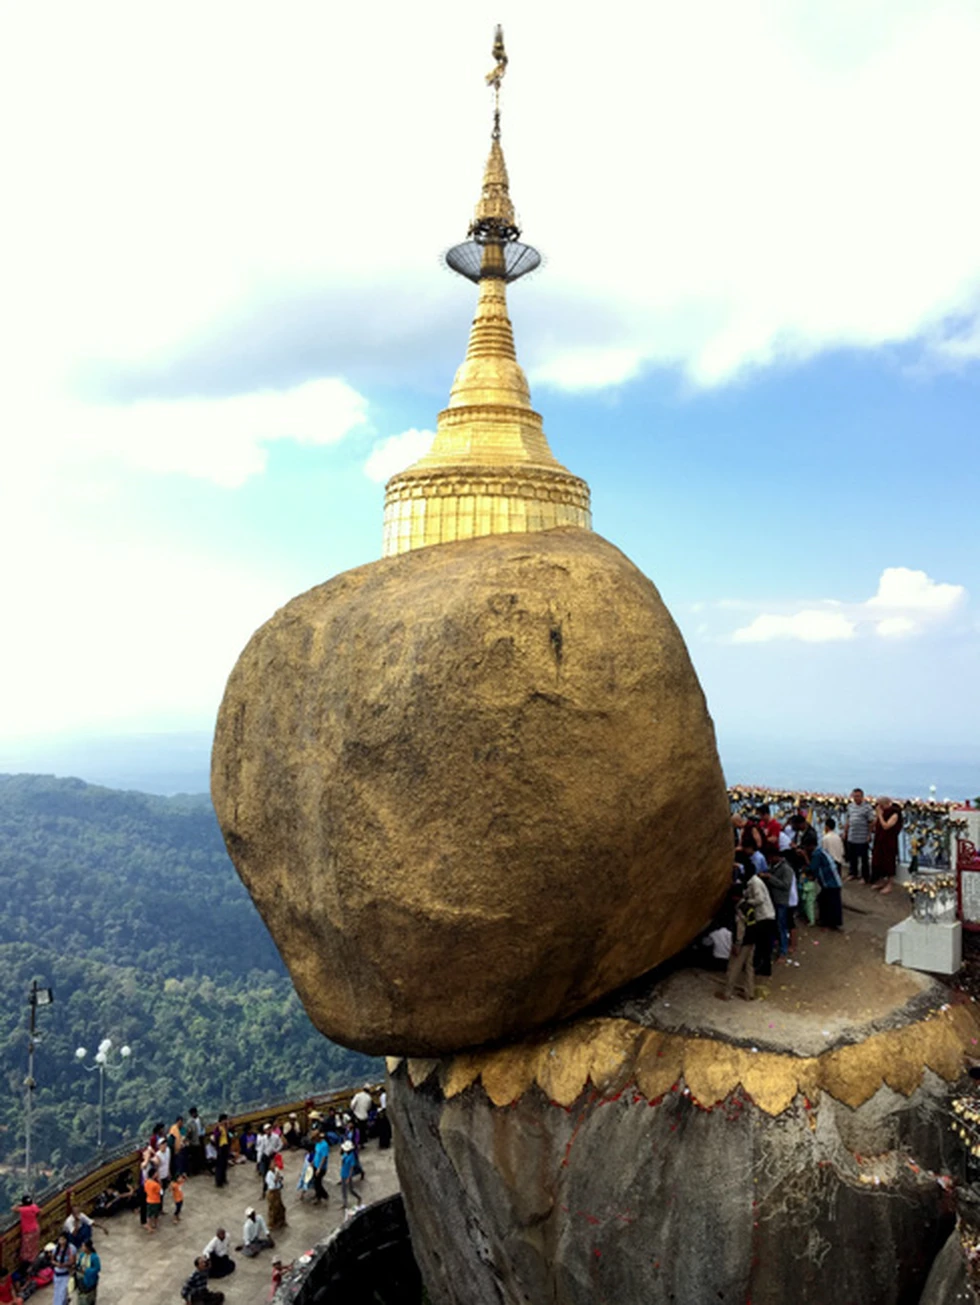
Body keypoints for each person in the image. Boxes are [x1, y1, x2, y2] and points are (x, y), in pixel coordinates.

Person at [718, 884, 757, 1001]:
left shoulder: (740, 909)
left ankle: (727, 994)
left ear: (735, 897)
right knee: (749, 967)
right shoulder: (750, 907)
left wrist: (737, 944)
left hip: (743, 942)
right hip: (752, 940)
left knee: (734, 967)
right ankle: (749, 993)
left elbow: (740, 929)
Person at [804, 829, 843, 929]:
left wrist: (805, 857)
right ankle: (829, 922)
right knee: (827, 901)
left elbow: (812, 868)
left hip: (830, 882)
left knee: (829, 902)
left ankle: (830, 923)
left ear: (810, 846)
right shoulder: (821, 851)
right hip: (832, 880)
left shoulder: (817, 854)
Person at [761, 853, 795, 960]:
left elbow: (785, 885)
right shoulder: (773, 866)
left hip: (781, 901)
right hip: (773, 900)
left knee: (781, 926)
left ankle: (783, 951)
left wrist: (770, 878)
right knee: (774, 925)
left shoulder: (786, 869)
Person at [872, 797, 903, 894]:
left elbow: (886, 826)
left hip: (889, 842)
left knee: (889, 862)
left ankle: (890, 884)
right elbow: (876, 824)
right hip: (880, 841)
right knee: (879, 861)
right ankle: (881, 881)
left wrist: (880, 815)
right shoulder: (883, 812)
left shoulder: (895, 813)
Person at [843, 788, 874, 883]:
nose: (856, 798)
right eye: (855, 796)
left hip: (863, 836)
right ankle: (853, 873)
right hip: (852, 835)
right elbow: (848, 820)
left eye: (858, 796)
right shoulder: (850, 807)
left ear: (862, 797)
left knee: (864, 858)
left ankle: (865, 877)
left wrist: (869, 834)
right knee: (852, 857)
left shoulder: (867, 807)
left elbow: (871, 822)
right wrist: (845, 832)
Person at [15, 1195, 41, 1266]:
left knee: (27, 1249)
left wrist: (19, 1204)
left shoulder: (23, 1209)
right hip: (35, 1228)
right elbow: (38, 1213)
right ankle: (34, 1260)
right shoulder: (34, 1206)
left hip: (28, 1231)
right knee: (34, 1246)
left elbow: (13, 1208)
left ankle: (28, 1264)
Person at [73, 1239, 100, 1305]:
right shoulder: (82, 1255)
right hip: (81, 1279)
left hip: (90, 1280)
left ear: (88, 1247)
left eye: (83, 1246)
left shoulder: (94, 1257)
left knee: (89, 1298)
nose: (82, 1248)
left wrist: (87, 1271)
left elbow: (97, 1268)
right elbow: (79, 1264)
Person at [339, 1140, 363, 1213]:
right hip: (343, 1173)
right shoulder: (345, 1154)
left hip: (347, 1175)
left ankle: (358, 1197)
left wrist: (349, 1177)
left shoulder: (352, 1156)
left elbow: (351, 1168)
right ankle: (344, 1203)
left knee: (350, 1190)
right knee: (343, 1189)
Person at [51, 1234, 76, 1305]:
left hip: (66, 1273)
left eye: (63, 1239)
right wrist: (57, 1264)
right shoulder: (56, 1248)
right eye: (60, 1240)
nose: (61, 1241)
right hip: (57, 1273)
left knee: (63, 1292)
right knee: (57, 1292)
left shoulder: (71, 1248)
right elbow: (52, 1260)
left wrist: (63, 1265)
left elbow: (72, 1261)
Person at [265, 1153, 287, 1230]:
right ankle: (272, 1224)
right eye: (272, 1163)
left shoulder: (276, 1170)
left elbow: (281, 1177)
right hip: (272, 1192)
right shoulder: (269, 1174)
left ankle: (281, 1221)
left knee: (281, 1208)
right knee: (273, 1209)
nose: (274, 1164)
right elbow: (272, 1185)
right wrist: (276, 1178)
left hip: (278, 1191)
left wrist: (280, 1178)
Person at [312, 1130, 330, 1205]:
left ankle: (320, 1196)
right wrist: (312, 1162)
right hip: (315, 1165)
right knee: (315, 1182)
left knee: (317, 1183)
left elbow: (324, 1157)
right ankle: (321, 1194)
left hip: (321, 1167)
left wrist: (319, 1168)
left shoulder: (324, 1145)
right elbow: (316, 1153)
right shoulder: (317, 1144)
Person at [213, 1115, 231, 1188]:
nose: (226, 1121)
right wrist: (219, 1132)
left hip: (225, 1146)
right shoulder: (217, 1128)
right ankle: (218, 1181)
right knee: (219, 1165)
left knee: (224, 1164)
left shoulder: (225, 1127)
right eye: (224, 1120)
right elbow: (215, 1137)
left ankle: (224, 1178)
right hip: (220, 1147)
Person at [186, 1108, 205, 1176]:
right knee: (195, 1155)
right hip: (194, 1140)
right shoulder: (189, 1122)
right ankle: (196, 1170)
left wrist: (203, 1133)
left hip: (201, 1137)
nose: (194, 1114)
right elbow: (188, 1133)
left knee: (202, 1152)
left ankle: (203, 1167)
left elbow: (203, 1126)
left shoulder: (200, 1118)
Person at [144, 1168, 163, 1233]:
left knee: (149, 1215)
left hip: (149, 1200)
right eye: (156, 1173)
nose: (158, 1174)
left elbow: (145, 1190)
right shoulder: (156, 1184)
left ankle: (149, 1227)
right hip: (155, 1201)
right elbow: (161, 1193)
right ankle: (155, 1224)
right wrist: (160, 1183)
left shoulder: (146, 1182)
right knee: (155, 1214)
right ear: (154, 1174)